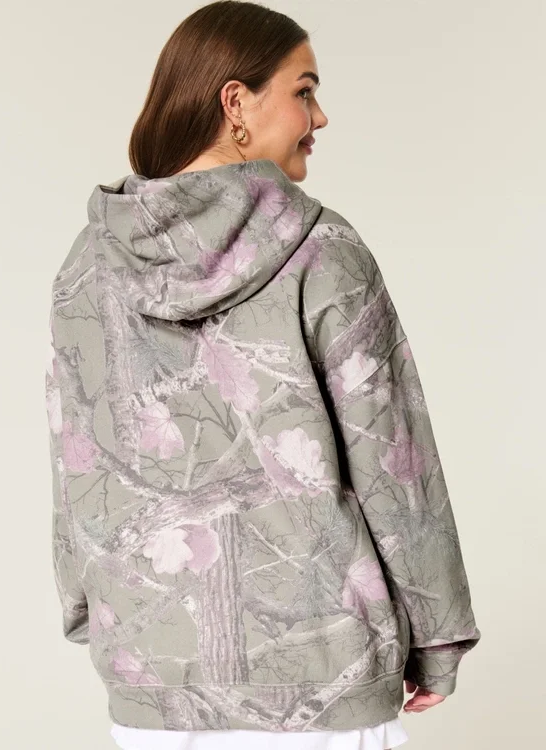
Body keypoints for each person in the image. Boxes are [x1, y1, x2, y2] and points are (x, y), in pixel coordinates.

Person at [45, 2, 481, 749]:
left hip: (154, 674)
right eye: (304, 91)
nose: (320, 116)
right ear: (235, 102)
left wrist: (96, 611)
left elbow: (78, 464)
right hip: (324, 677)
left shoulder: (87, 265)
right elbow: (394, 462)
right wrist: (438, 636)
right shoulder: (323, 249)